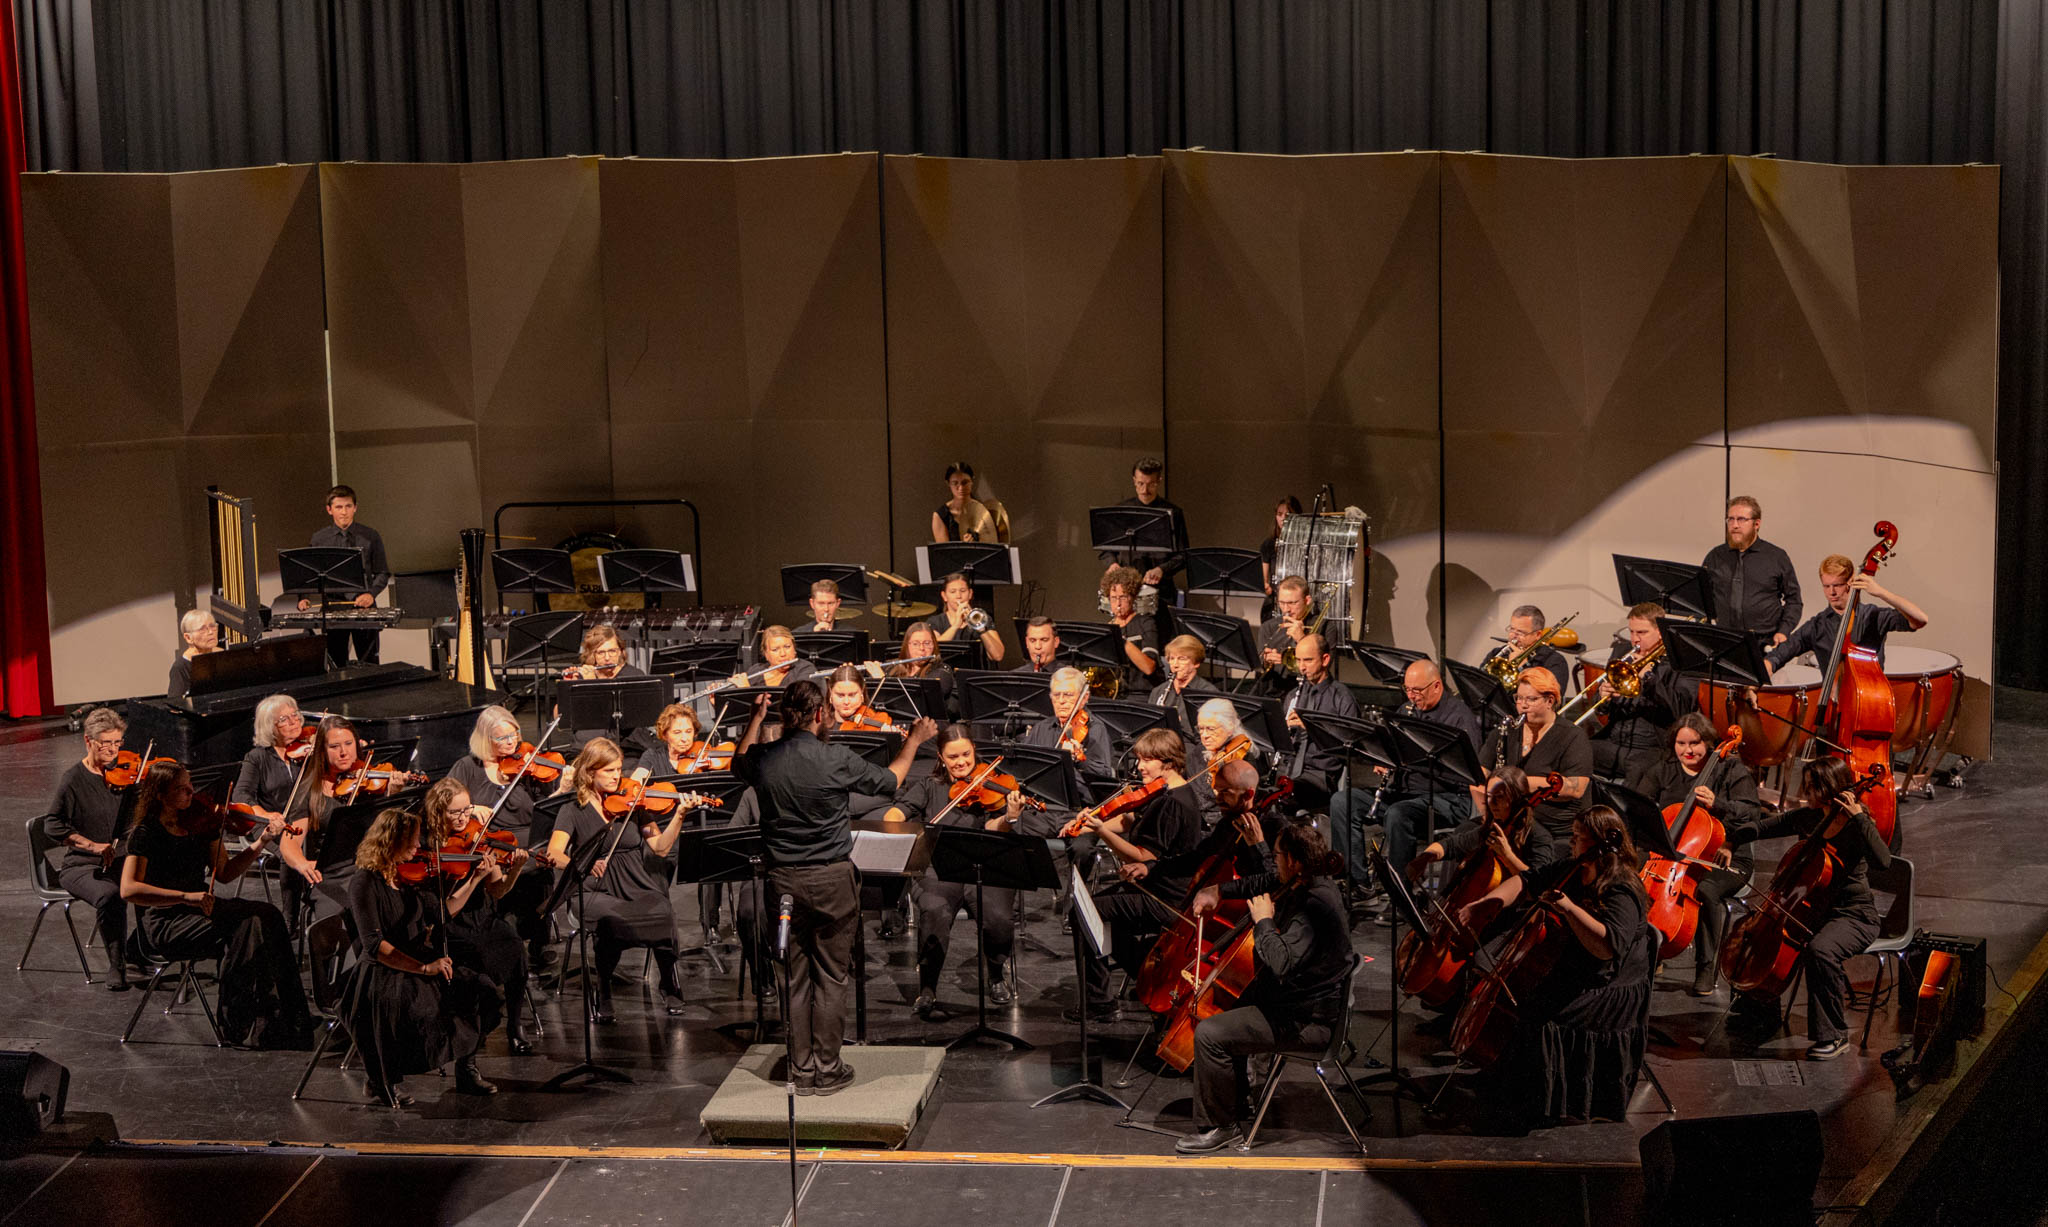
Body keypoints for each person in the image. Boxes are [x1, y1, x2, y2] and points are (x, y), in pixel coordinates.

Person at [733, 683, 937, 1094]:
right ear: (819, 715)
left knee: (793, 976)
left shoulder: (765, 758)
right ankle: (827, 1068)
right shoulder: (835, 758)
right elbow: (891, 781)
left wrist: (756, 718)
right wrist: (913, 740)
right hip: (831, 880)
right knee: (830, 975)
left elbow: (738, 763)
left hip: (783, 881)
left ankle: (800, 1069)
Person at [1456, 804, 1654, 1125]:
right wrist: (1485, 903)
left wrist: (1570, 909)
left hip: (1609, 985)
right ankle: (1505, 1078)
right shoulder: (1575, 866)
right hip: (1580, 966)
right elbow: (1526, 881)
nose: (1571, 842)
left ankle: (1541, 1100)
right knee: (1521, 997)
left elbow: (1607, 947)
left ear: (1600, 843)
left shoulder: (1621, 888)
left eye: (1578, 838)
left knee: (1541, 1012)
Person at [1178, 813, 1354, 1153]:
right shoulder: (1308, 883)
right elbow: (1266, 880)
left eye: (1276, 855)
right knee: (1235, 1005)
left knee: (1211, 1033)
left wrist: (1264, 922)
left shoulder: (1315, 906)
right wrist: (1220, 889)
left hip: (1307, 1023)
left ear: (1294, 860)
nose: (1274, 863)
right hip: (1296, 1006)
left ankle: (1220, 1126)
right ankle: (1237, 1102)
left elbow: (1281, 963)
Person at [119, 760, 312, 1048]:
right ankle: (238, 1022)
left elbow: (225, 873)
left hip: (202, 908)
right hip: (166, 922)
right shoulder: (146, 833)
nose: (191, 793)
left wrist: (261, 842)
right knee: (248, 925)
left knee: (268, 914)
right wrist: (185, 897)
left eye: (190, 786)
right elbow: (128, 889)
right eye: (181, 789)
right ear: (160, 795)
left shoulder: (200, 824)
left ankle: (287, 1015)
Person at [1723, 756, 1892, 1060]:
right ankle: (1762, 1011)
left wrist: (1858, 818)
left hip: (1853, 915)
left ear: (1830, 788)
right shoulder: (1809, 817)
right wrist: (1731, 840)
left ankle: (1834, 1036)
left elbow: (1884, 861)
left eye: (1812, 787)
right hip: (1811, 910)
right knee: (1762, 938)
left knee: (1820, 950)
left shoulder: (1856, 825)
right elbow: (1763, 827)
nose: (1805, 792)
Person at [543, 738, 714, 1021]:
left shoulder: (634, 803)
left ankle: (669, 983)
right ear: (589, 773)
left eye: (619, 769)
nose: (617, 776)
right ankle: (604, 986)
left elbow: (660, 847)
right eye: (609, 770)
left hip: (635, 881)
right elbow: (554, 853)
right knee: (612, 921)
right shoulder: (572, 810)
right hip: (593, 888)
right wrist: (581, 864)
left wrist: (680, 816)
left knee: (663, 911)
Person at [347, 805, 503, 1104]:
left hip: (420, 959)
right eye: (412, 841)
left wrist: (475, 879)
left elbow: (443, 912)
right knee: (421, 1009)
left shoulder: (408, 878)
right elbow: (375, 946)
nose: (419, 846)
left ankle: (466, 1069)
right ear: (390, 842)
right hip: (383, 971)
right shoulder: (364, 883)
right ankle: (382, 1079)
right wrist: (424, 968)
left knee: (482, 991)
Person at [1063, 728, 1205, 1022]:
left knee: (1085, 912)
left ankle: (1104, 998)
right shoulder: (1164, 791)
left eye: (1146, 760)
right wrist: (1090, 825)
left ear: (1167, 762)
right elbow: (1128, 820)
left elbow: (1143, 857)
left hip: (1166, 898)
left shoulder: (1175, 802)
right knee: (1094, 913)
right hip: (1154, 889)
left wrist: (1101, 831)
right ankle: (1147, 977)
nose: (1139, 767)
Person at [1329, 659, 1482, 919]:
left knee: (1398, 814)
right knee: (1343, 801)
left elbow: (1465, 773)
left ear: (1436, 686)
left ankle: (1402, 897)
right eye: (1407, 690)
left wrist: (1417, 763)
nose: (1411, 697)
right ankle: (1359, 885)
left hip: (1447, 798)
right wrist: (1385, 760)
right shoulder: (1407, 709)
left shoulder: (1459, 718)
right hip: (1403, 792)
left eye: (1417, 691)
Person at [891, 726, 1028, 1016]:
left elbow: (994, 826)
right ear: (941, 757)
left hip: (986, 865)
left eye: (966, 754)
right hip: (939, 868)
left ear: (974, 751)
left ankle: (995, 973)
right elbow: (897, 813)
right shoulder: (928, 785)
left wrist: (1010, 817)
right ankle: (927, 988)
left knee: (998, 918)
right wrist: (897, 825)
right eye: (953, 756)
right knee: (935, 911)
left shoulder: (990, 785)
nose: (961, 762)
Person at [1626, 714, 1761, 997]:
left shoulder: (1730, 770)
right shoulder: (1664, 770)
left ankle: (1705, 966)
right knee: (1631, 878)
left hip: (1728, 854)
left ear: (1710, 742)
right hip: (1671, 854)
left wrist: (1719, 805)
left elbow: (1752, 813)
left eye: (1696, 743)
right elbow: (1639, 808)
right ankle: (1646, 951)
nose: (1688, 750)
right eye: (1681, 743)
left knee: (1705, 891)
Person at [420, 777, 535, 1054]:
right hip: (450, 926)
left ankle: (515, 1024)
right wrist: (475, 878)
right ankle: (476, 1026)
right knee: (479, 955)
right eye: (455, 812)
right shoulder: (429, 845)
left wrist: (515, 870)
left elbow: (497, 891)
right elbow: (443, 911)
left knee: (515, 947)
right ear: (438, 811)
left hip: (482, 918)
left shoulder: (479, 835)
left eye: (467, 809)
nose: (463, 818)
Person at [447, 706, 560, 975]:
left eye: (514, 735)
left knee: (540, 867)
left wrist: (563, 788)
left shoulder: (530, 764)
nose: (512, 742)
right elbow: (444, 800)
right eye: (502, 738)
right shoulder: (467, 767)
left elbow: (548, 807)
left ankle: (538, 942)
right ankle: (503, 936)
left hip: (531, 838)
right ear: (486, 739)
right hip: (490, 842)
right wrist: (472, 808)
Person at [46, 708, 134, 989]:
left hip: (121, 859)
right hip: (82, 865)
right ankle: (117, 965)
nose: (113, 750)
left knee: (151, 878)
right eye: (105, 743)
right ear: (88, 741)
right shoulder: (73, 780)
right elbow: (52, 826)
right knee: (110, 894)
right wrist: (92, 846)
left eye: (117, 742)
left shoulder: (125, 776)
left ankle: (143, 947)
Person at [1586, 603, 1698, 783]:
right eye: (1631, 632)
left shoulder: (1682, 662)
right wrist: (1602, 696)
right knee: (1570, 751)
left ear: (1660, 632)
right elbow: (1600, 710)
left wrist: (1648, 678)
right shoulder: (1622, 652)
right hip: (1613, 741)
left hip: (1651, 748)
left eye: (1642, 633)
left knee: (1637, 774)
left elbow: (1682, 709)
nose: (1634, 639)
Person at [278, 715, 372, 929]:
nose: (344, 752)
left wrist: (392, 791)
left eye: (349, 744)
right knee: (336, 919)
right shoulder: (309, 792)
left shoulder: (369, 782)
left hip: (367, 869)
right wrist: (302, 864)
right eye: (335, 746)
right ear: (322, 750)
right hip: (331, 875)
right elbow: (289, 842)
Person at [1477, 668, 1591, 842]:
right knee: (1462, 838)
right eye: (1519, 698)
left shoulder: (1572, 736)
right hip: (1509, 819)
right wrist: (1488, 812)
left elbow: (1576, 788)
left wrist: (1515, 783)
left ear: (1549, 701)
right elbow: (1479, 773)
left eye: (1531, 699)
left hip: (1553, 827)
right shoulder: (1506, 729)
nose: (1523, 705)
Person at [1767, 554, 1930, 673]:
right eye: (1826, 586)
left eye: (1837, 585)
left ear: (1850, 583)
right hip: (1832, 707)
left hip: (1869, 704)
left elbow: (1920, 620)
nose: (1831, 592)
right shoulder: (1817, 625)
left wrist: (1881, 592)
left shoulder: (1873, 616)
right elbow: (1781, 654)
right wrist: (1766, 666)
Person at [298, 484, 390, 666]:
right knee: (335, 665)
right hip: (333, 608)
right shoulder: (319, 539)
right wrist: (304, 597)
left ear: (355, 507)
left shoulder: (370, 535)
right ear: (329, 510)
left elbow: (383, 572)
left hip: (364, 608)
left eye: (348, 506)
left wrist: (370, 594)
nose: (344, 512)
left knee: (370, 665)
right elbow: (309, 574)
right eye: (339, 507)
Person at [1701, 496, 1801, 646]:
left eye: (1741, 519)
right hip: (1723, 640)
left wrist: (1783, 631)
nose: (1734, 525)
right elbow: (1701, 599)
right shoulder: (1715, 556)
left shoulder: (1776, 557)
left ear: (1757, 524)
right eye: (1730, 519)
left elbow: (1794, 601)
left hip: (1763, 643)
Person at [1280, 634, 1359, 813]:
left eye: (1307, 660)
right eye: (1298, 660)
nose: (1301, 667)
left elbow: (1349, 745)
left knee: (1282, 795)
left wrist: (1311, 727)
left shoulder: (1342, 697)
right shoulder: (1293, 695)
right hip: (1289, 769)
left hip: (1321, 775)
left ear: (1325, 659)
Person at [1098, 457, 1190, 609]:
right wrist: (1112, 564)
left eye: (1150, 484)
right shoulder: (1122, 511)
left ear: (1158, 481)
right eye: (1140, 484)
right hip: (1125, 590)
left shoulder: (1173, 513)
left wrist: (1162, 569)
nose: (1144, 490)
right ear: (1134, 480)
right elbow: (1106, 549)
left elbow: (1183, 555)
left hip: (1161, 592)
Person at [1023, 666, 1115, 780]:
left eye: (1068, 695)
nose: (1061, 701)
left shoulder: (1094, 728)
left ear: (1084, 698)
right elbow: (1024, 766)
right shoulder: (1041, 728)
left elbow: (1104, 774)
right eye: (1056, 695)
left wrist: (1079, 759)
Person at [232, 694, 310, 821]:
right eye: (283, 719)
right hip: (271, 825)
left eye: (294, 714)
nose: (293, 721)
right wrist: (265, 815)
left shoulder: (308, 749)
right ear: (270, 727)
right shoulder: (257, 757)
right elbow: (241, 794)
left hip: (307, 823)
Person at [1148, 635, 1218, 768]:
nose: (1175, 665)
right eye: (1172, 659)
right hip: (1159, 747)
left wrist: (1178, 724)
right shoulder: (1158, 691)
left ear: (1196, 663)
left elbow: (1210, 736)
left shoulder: (1207, 693)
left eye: (1182, 659)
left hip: (1189, 750)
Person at [1482, 606, 1574, 697]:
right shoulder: (1496, 654)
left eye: (1521, 632)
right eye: (1512, 629)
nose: (1513, 636)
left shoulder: (1555, 661)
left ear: (1538, 635)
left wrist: (1524, 668)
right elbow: (1478, 685)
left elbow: (1552, 699)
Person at [1101, 565, 1163, 691]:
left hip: (1144, 692)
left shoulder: (1146, 623)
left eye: (1123, 597)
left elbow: (1149, 667)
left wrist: (1122, 642)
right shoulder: (1107, 629)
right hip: (1117, 693)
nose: (1118, 603)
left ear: (1133, 597)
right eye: (1113, 598)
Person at [885, 621, 957, 719]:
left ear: (934, 645)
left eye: (927, 643)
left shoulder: (941, 672)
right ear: (907, 646)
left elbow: (914, 703)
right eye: (915, 644)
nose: (922, 648)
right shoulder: (892, 667)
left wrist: (882, 679)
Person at [933, 571, 1006, 665]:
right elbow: (933, 653)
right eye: (953, 592)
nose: (958, 596)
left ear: (970, 594)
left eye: (963, 591)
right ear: (944, 596)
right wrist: (955, 626)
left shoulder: (983, 618)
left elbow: (998, 656)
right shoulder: (935, 621)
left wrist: (980, 628)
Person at [1256, 577, 1312, 695]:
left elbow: (1320, 669)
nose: (1286, 609)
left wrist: (1301, 639)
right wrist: (1266, 661)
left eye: (1292, 603)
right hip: (1274, 691)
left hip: (1308, 694)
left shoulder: (1326, 626)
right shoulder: (1268, 627)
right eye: (1282, 603)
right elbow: (1260, 670)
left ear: (1307, 600)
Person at [932, 461, 1000, 543]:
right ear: (948, 483)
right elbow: (944, 553)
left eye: (965, 482)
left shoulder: (985, 511)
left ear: (972, 481)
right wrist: (964, 547)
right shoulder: (941, 516)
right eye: (955, 483)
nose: (961, 488)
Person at [1258, 495, 1302, 619]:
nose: (1283, 518)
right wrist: (1265, 586)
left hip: (1298, 603)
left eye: (1287, 514)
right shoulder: (1268, 544)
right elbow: (1264, 579)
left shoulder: (1306, 544)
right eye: (1279, 514)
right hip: (1275, 603)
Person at [167, 608, 221, 701]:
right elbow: (175, 704)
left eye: (213, 626)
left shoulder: (223, 655)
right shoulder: (180, 667)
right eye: (202, 629)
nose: (211, 632)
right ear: (188, 637)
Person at [564, 623, 643, 682]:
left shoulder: (634, 676)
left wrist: (591, 683)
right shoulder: (584, 675)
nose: (607, 658)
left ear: (620, 651)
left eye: (612, 651)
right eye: (601, 653)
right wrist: (567, 687)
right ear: (593, 654)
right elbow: (560, 705)